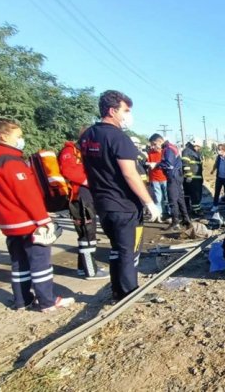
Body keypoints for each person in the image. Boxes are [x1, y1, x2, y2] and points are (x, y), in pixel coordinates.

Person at [0, 116, 75, 312]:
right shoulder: (8, 161)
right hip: (27, 221)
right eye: (18, 136)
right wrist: (44, 220)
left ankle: (22, 300)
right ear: (3, 136)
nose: (21, 139)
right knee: (41, 263)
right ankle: (47, 301)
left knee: (19, 264)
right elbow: (27, 194)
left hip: (7, 223)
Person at [79, 90, 161, 301]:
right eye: (126, 110)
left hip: (103, 203)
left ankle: (117, 289)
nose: (128, 115)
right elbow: (130, 173)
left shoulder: (88, 135)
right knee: (128, 252)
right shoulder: (118, 137)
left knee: (117, 249)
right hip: (123, 204)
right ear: (112, 110)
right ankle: (129, 293)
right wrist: (149, 202)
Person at [58, 130, 108, 280]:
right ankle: (91, 271)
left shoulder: (82, 151)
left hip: (85, 196)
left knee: (87, 233)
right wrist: (91, 182)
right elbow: (69, 171)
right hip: (79, 198)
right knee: (87, 234)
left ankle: (83, 267)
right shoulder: (69, 151)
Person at [149, 134, 190, 231]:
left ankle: (175, 222)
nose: (153, 147)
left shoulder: (168, 149)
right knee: (180, 199)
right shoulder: (171, 147)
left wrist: (156, 164)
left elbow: (168, 164)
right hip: (177, 176)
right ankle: (186, 219)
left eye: (154, 144)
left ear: (159, 141)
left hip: (173, 176)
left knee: (172, 201)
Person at [147, 139, 168, 222]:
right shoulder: (150, 153)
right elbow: (148, 164)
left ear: (159, 144)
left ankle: (168, 214)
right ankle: (159, 214)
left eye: (154, 144)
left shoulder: (164, 152)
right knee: (158, 198)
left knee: (166, 197)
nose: (152, 147)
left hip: (164, 178)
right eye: (152, 145)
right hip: (154, 178)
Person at [181, 139, 204, 216]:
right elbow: (185, 165)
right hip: (192, 178)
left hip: (197, 177)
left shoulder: (196, 152)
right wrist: (188, 175)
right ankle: (196, 210)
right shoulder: (186, 151)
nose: (199, 148)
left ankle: (193, 208)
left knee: (196, 194)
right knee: (195, 195)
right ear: (194, 144)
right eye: (198, 147)